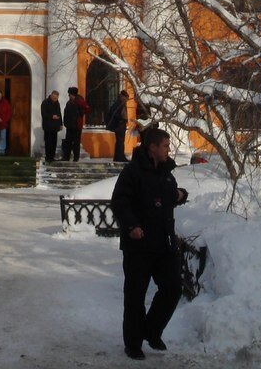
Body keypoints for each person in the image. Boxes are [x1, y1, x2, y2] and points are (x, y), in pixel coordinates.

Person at [110, 127, 189, 360]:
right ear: (152, 147)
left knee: (173, 288)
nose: (168, 150)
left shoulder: (165, 172)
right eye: (165, 145)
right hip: (139, 245)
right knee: (135, 296)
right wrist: (131, 226)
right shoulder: (133, 172)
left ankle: (151, 331)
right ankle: (133, 344)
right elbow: (119, 202)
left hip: (163, 244)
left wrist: (179, 195)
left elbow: (164, 198)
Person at [62, 86, 90, 162]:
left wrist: (80, 113)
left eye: (69, 94)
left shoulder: (80, 101)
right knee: (68, 142)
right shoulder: (69, 102)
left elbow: (87, 109)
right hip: (69, 125)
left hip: (77, 125)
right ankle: (66, 157)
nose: (69, 95)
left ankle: (76, 158)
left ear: (72, 94)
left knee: (76, 142)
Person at [106, 89, 130, 163]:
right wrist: (122, 119)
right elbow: (115, 113)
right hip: (119, 125)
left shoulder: (118, 103)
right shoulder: (119, 103)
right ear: (122, 97)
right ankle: (120, 157)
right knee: (120, 142)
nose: (126, 100)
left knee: (119, 141)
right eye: (126, 98)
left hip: (120, 125)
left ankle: (117, 157)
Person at [40, 90, 63, 163]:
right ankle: (48, 157)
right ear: (51, 96)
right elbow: (43, 114)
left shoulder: (57, 103)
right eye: (54, 98)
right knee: (48, 142)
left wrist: (61, 124)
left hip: (55, 127)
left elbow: (59, 113)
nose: (55, 100)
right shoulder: (45, 103)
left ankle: (52, 156)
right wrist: (52, 116)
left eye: (56, 98)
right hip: (48, 126)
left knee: (54, 142)